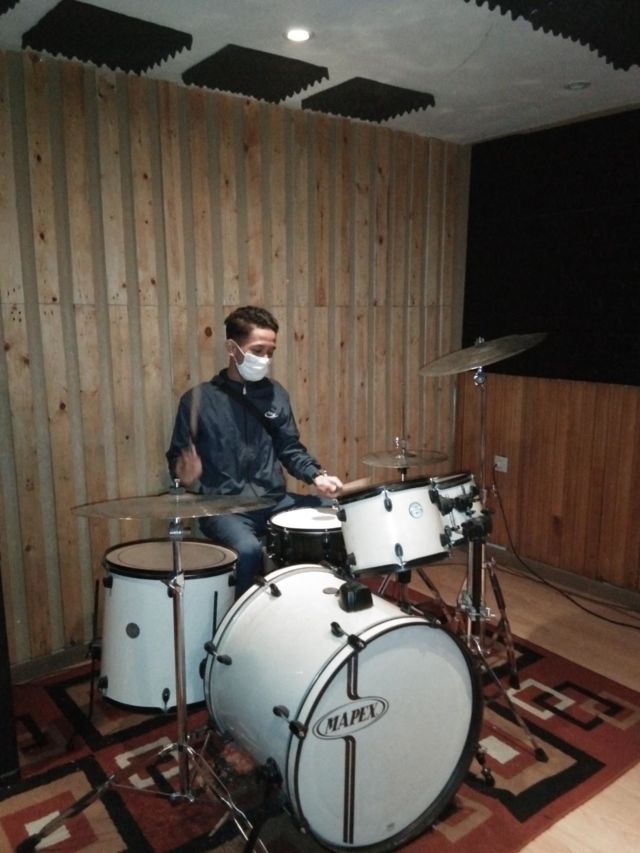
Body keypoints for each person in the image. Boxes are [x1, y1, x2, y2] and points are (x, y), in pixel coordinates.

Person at [166, 305, 343, 597]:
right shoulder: (198, 400)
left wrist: (317, 475)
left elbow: (289, 448)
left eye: (270, 352)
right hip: (223, 507)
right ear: (231, 348)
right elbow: (176, 459)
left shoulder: (276, 394)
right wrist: (183, 473)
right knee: (247, 551)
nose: (265, 359)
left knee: (338, 516)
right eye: (257, 351)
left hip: (274, 500)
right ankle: (240, 618)